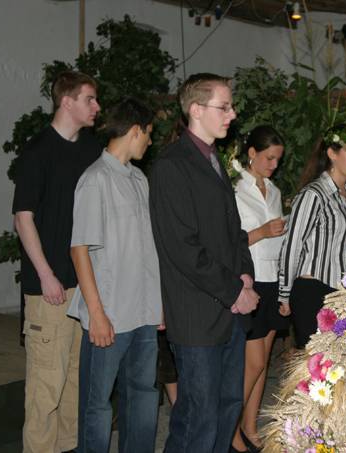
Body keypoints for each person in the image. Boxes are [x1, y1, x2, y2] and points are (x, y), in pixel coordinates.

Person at [149, 73, 260, 453]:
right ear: (196, 110)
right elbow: (182, 247)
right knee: (199, 419)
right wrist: (234, 291)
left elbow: (233, 231)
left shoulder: (212, 159)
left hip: (230, 310)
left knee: (227, 408)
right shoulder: (172, 165)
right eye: (224, 107)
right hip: (197, 315)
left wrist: (245, 275)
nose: (232, 114)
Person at [12, 71, 101, 453]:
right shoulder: (38, 151)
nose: (97, 107)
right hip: (49, 290)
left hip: (83, 286)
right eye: (89, 99)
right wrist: (46, 275)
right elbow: (23, 218)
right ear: (67, 101)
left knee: (74, 386)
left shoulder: (92, 149)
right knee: (45, 390)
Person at [68, 98, 162, 452]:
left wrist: (158, 304)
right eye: (149, 134)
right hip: (109, 315)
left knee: (143, 395)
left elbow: (147, 249)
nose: (150, 142)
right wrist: (96, 314)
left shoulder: (139, 179)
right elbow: (79, 249)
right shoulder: (95, 180)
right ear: (135, 130)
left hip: (144, 314)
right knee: (97, 405)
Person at [278, 123, 346, 350]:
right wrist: (284, 294)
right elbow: (292, 244)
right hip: (313, 291)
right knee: (318, 365)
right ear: (332, 154)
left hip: (341, 293)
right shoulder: (314, 194)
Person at [231, 125, 289, 453]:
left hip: (272, 278)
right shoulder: (234, 188)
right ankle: (227, 426)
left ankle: (250, 427)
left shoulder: (275, 191)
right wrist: (263, 231)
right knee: (251, 363)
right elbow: (231, 240)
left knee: (263, 361)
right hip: (249, 279)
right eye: (269, 158)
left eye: (278, 159)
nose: (274, 165)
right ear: (251, 153)